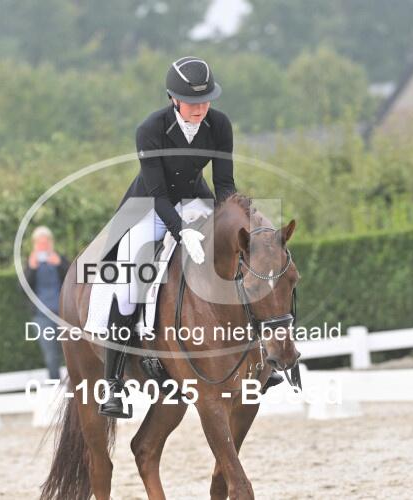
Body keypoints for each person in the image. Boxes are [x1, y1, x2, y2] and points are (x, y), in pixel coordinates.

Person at [98, 56, 282, 419]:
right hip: (150, 207)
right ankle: (113, 383)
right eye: (192, 102)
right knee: (132, 280)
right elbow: (158, 195)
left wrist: (230, 221)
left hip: (197, 200)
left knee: (243, 260)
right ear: (173, 98)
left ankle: (262, 357)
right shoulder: (150, 130)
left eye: (205, 101)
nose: (200, 109)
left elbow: (225, 184)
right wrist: (181, 231)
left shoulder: (219, 124)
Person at [25, 226, 71, 381]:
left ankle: (74, 385)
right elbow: (22, 288)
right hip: (42, 316)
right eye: (40, 244)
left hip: (64, 314)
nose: (43, 247)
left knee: (71, 351)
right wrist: (31, 269)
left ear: (51, 243)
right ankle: (55, 386)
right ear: (34, 245)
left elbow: (75, 279)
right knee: (51, 355)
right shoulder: (30, 263)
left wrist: (60, 264)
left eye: (46, 243)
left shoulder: (60, 259)